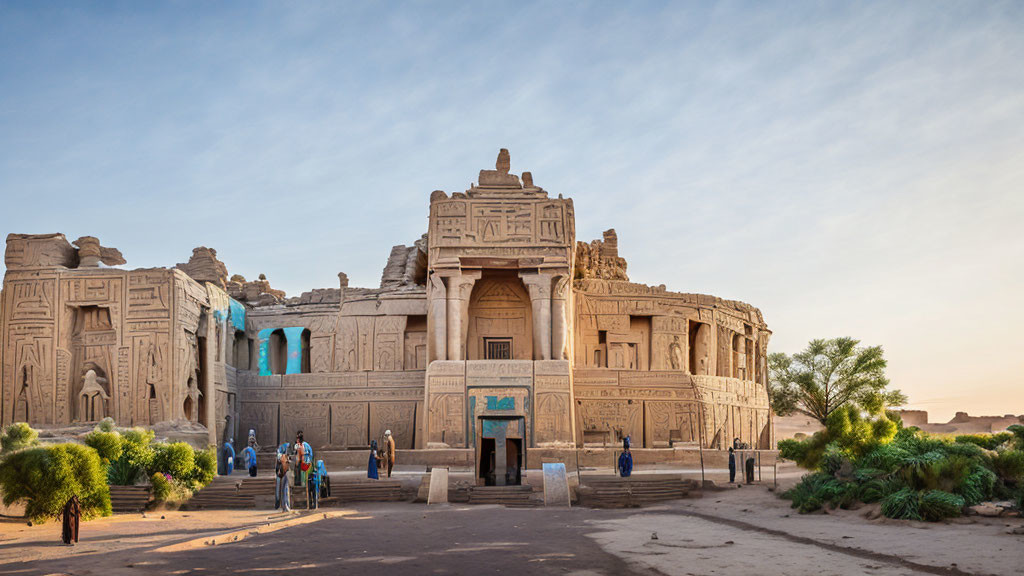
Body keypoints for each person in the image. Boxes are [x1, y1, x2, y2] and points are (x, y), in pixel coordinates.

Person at [275, 443, 291, 511]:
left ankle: (284, 506)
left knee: (283, 491)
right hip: (282, 474)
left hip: (281, 475)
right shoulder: (282, 456)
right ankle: (285, 506)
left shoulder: (281, 455)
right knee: (284, 491)